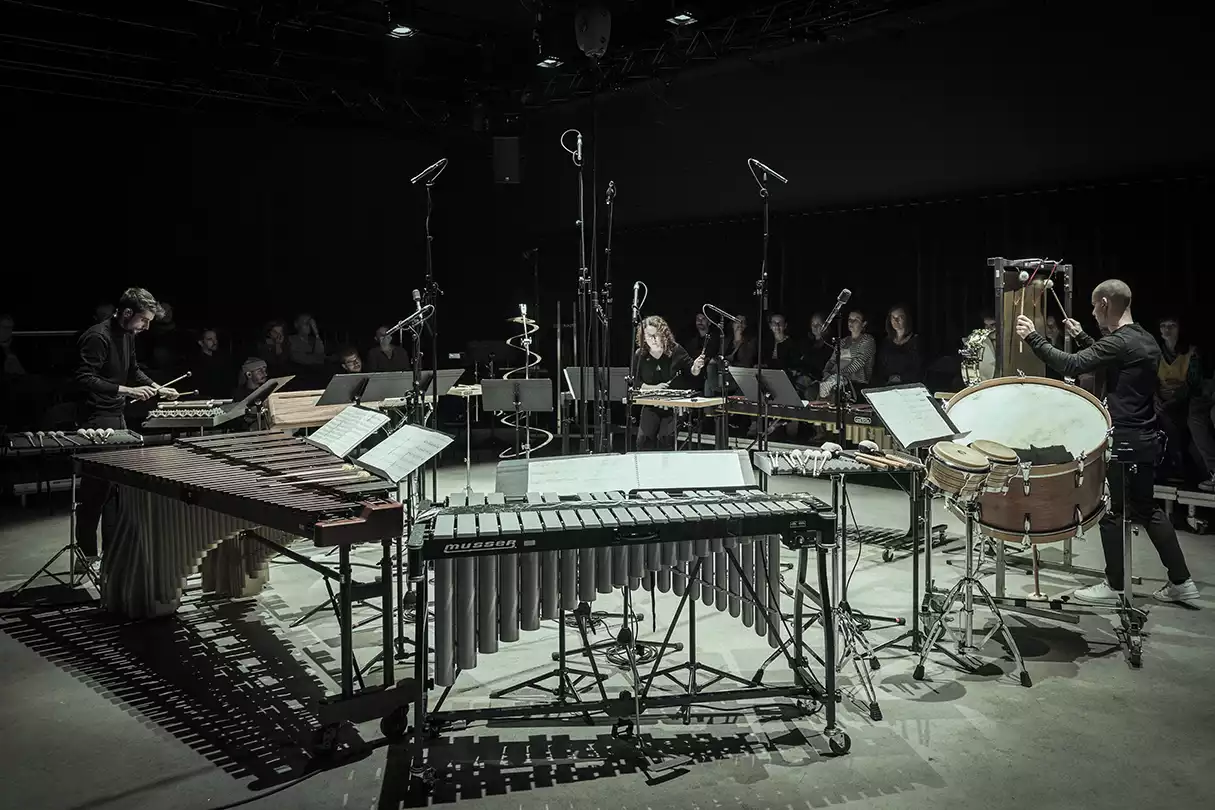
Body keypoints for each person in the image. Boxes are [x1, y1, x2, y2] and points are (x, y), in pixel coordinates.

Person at [1015, 280, 1198, 605]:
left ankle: (1114, 584)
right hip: (1144, 438)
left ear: (1103, 304)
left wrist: (1032, 336)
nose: (1091, 312)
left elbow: (1071, 364)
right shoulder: (1144, 338)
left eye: (1093, 305)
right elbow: (1113, 357)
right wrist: (1082, 337)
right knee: (1147, 508)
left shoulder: (1121, 342)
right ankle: (1182, 581)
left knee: (1112, 512)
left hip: (1124, 442)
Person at [74, 288, 179, 568]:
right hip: (96, 419)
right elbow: (84, 378)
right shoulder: (97, 337)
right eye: (144, 320)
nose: (146, 327)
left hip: (116, 415)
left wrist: (157, 387)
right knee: (95, 492)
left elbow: (133, 370)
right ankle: (86, 555)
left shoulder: (128, 335)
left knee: (115, 491)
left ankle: (112, 556)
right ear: (128, 312)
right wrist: (128, 390)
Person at [633, 316, 696, 450]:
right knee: (643, 440)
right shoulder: (640, 354)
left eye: (656, 335)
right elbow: (635, 382)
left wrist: (696, 368)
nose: (653, 340)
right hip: (651, 404)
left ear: (663, 334)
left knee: (665, 439)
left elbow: (692, 372)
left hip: (674, 406)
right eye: (649, 336)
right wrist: (654, 388)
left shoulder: (676, 350)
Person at [820, 310, 876, 402]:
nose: (851, 322)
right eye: (850, 319)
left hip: (855, 382)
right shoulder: (843, 341)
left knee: (834, 390)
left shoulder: (868, 340)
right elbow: (832, 361)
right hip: (834, 378)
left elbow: (859, 362)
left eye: (856, 320)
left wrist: (840, 375)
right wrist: (826, 372)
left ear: (863, 324)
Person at [874, 305, 922, 385]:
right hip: (888, 384)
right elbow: (880, 365)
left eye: (900, 317)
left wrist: (900, 378)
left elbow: (918, 367)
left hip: (910, 385)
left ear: (907, 319)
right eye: (893, 317)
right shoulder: (886, 342)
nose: (896, 320)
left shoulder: (916, 341)